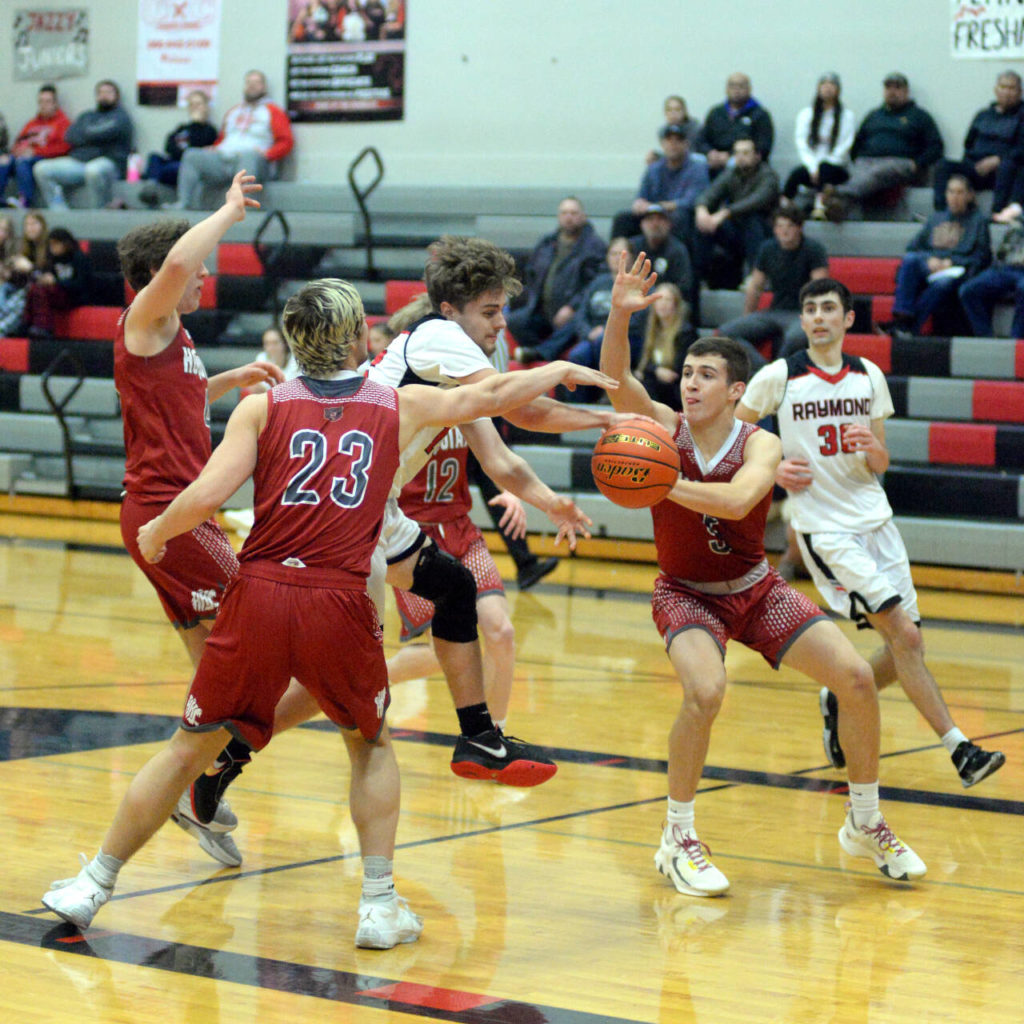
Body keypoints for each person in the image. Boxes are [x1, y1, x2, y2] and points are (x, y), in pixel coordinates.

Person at [40, 276, 616, 939]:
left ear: (295, 339)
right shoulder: (399, 404)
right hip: (339, 600)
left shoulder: (261, 407)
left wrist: (157, 531)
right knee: (369, 746)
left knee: (182, 750)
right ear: (353, 339)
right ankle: (378, 906)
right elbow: (488, 395)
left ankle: (94, 884)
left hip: (259, 594)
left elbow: (204, 495)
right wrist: (561, 368)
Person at [600, 252, 927, 896]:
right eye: (687, 373)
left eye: (706, 376)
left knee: (857, 678)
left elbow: (736, 501)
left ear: (736, 391)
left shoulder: (761, 443)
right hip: (686, 593)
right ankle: (677, 837)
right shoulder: (663, 430)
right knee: (705, 692)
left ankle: (865, 820)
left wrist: (662, 483)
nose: (691, 385)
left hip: (755, 588)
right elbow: (615, 379)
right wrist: (618, 313)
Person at [736, 276, 1005, 789]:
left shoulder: (868, 375)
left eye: (828, 308)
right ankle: (961, 750)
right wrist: (772, 469)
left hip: (876, 520)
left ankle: (838, 694)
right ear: (803, 319)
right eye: (810, 308)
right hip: (826, 529)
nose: (818, 317)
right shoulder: (780, 375)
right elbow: (735, 433)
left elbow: (881, 460)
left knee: (908, 646)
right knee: (905, 635)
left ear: (848, 319)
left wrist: (873, 449)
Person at [112, 171, 286, 865]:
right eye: (194, 269)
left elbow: (179, 400)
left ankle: (194, 784)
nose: (205, 276)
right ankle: (196, 779)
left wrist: (228, 381)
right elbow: (183, 261)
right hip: (170, 513)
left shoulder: (171, 334)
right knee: (256, 640)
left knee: (212, 662)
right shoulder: (145, 318)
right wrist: (228, 211)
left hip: (173, 512)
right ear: (158, 276)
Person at [882, 175, 990, 337]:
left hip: (957, 270)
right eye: (951, 192)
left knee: (942, 285)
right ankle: (903, 314)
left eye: (960, 192)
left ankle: (909, 327)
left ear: (969, 195)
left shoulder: (978, 221)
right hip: (931, 264)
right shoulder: (936, 218)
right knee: (911, 260)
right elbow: (913, 247)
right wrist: (929, 259)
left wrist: (951, 262)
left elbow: (982, 257)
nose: (954, 197)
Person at [717, 205, 830, 360]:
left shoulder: (813, 249)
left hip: (801, 312)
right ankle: (762, 369)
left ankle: (778, 370)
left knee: (795, 338)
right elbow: (755, 286)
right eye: (780, 226)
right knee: (726, 332)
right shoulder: (767, 248)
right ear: (774, 229)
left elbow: (819, 288)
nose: (784, 231)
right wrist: (747, 316)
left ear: (799, 228)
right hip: (774, 311)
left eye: (790, 226)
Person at [828, 73, 943, 221]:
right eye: (888, 87)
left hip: (902, 163)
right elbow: (857, 143)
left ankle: (838, 194)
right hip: (867, 161)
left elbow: (936, 147)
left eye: (897, 87)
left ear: (906, 91)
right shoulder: (873, 115)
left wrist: (918, 164)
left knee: (877, 171)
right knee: (860, 172)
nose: (892, 92)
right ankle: (839, 206)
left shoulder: (920, 116)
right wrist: (858, 159)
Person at [172, 71, 294, 210]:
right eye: (249, 82)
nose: (252, 86)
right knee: (192, 155)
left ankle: (242, 208)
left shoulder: (273, 111)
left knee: (248, 155)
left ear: (264, 87)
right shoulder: (234, 112)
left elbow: (286, 142)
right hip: (225, 160)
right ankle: (183, 203)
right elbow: (223, 139)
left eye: (256, 82)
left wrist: (268, 154)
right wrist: (214, 148)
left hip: (254, 160)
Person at [507, 196, 606, 361]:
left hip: (574, 311)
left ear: (583, 216)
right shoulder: (547, 243)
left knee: (576, 324)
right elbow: (531, 273)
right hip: (542, 309)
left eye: (573, 213)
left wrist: (572, 307)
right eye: (564, 213)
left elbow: (594, 284)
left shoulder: (595, 247)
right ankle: (543, 353)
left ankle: (540, 353)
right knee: (515, 321)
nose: (569, 217)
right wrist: (530, 300)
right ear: (559, 216)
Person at [693, 136, 780, 289]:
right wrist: (701, 209)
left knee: (751, 219)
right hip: (737, 230)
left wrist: (725, 213)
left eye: (745, 153)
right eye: (737, 153)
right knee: (703, 225)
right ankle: (701, 276)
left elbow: (756, 201)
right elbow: (710, 193)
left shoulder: (769, 176)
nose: (740, 157)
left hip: (765, 230)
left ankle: (756, 276)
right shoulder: (731, 173)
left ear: (757, 156)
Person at [33, 80, 133, 209]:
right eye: (101, 92)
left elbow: (105, 133)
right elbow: (70, 136)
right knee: (41, 169)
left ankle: (99, 213)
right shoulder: (86, 116)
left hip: (109, 163)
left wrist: (86, 134)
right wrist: (95, 135)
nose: (104, 95)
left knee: (93, 170)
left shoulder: (121, 117)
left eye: (108, 92)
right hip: (80, 162)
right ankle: (59, 211)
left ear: (117, 96)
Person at [935, 71, 1023, 213]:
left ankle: (997, 213)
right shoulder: (983, 115)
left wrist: (998, 159)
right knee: (943, 165)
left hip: (1003, 171)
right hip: (976, 167)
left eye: (1011, 88)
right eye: (1003, 87)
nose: (1007, 92)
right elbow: (968, 144)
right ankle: (941, 213)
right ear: (996, 90)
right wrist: (970, 166)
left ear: (1020, 92)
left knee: (1008, 166)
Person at [611, 124, 709, 244]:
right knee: (622, 219)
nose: (673, 144)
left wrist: (666, 206)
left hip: (677, 216)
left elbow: (693, 200)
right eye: (669, 140)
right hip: (652, 213)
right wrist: (639, 203)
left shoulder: (697, 168)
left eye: (678, 140)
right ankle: (618, 253)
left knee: (680, 217)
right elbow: (641, 196)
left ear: (686, 144)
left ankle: (676, 255)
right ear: (662, 144)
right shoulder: (654, 168)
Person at [783, 73, 855, 219]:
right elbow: (801, 143)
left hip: (836, 167)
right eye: (824, 84)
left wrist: (823, 166)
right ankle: (784, 210)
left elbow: (845, 145)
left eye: (832, 84)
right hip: (812, 167)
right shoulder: (806, 114)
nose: (828, 88)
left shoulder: (847, 116)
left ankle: (820, 208)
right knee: (795, 176)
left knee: (825, 170)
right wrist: (813, 167)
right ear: (818, 88)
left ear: (838, 90)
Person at [138, 90, 219, 207]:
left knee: (178, 164)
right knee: (154, 157)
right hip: (172, 163)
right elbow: (168, 146)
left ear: (206, 107)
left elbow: (197, 149)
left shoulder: (210, 130)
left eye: (198, 104)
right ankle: (150, 188)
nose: (194, 107)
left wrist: (197, 124)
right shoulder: (182, 128)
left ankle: (152, 186)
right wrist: (179, 151)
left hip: (187, 169)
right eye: (191, 104)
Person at [0, 84, 70, 208]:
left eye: (47, 101)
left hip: (44, 159)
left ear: (55, 104)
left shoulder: (63, 123)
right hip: (23, 157)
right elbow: (18, 142)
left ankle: (25, 202)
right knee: (4, 161)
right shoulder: (32, 123)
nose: (43, 105)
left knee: (22, 162)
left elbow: (64, 147)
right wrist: (16, 152)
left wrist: (36, 152)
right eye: (41, 101)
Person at [697, 72, 774, 178]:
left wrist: (730, 155)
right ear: (726, 89)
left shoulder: (760, 115)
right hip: (714, 159)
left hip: (740, 161)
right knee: (696, 162)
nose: (736, 90)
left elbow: (763, 147)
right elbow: (701, 139)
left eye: (741, 86)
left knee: (733, 163)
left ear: (749, 89)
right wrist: (710, 153)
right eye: (732, 86)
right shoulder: (716, 112)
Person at [634, 281, 696, 410]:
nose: (663, 304)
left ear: (676, 305)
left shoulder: (685, 332)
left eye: (667, 300)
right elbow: (643, 362)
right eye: (659, 300)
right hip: (655, 382)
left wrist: (652, 370)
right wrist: (656, 370)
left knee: (645, 383)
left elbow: (678, 370)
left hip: (676, 387)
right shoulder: (651, 330)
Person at [958, 217, 1024, 337]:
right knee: (969, 290)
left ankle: (1016, 341)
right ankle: (986, 338)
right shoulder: (1019, 221)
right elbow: (1002, 253)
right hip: (1005, 268)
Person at [22, 227, 92, 338]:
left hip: (75, 296)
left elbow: (81, 284)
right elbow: (46, 275)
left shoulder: (79, 258)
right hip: (57, 293)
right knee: (34, 289)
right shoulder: (52, 259)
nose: (52, 248)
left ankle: (43, 327)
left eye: (56, 244)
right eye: (50, 244)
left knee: (42, 291)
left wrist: (56, 282)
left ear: (66, 244)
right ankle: (26, 325)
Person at [631, 206, 695, 309]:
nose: (655, 224)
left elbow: (684, 286)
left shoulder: (678, 250)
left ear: (669, 224)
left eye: (660, 219)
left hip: (666, 304)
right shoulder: (632, 247)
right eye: (650, 219)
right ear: (642, 224)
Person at [645, 95, 702, 165]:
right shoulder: (663, 131)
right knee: (651, 158)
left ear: (684, 112)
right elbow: (669, 154)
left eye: (677, 110)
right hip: (673, 163)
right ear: (665, 113)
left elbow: (687, 153)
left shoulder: (694, 128)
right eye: (669, 110)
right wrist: (656, 156)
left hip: (693, 162)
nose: (673, 113)